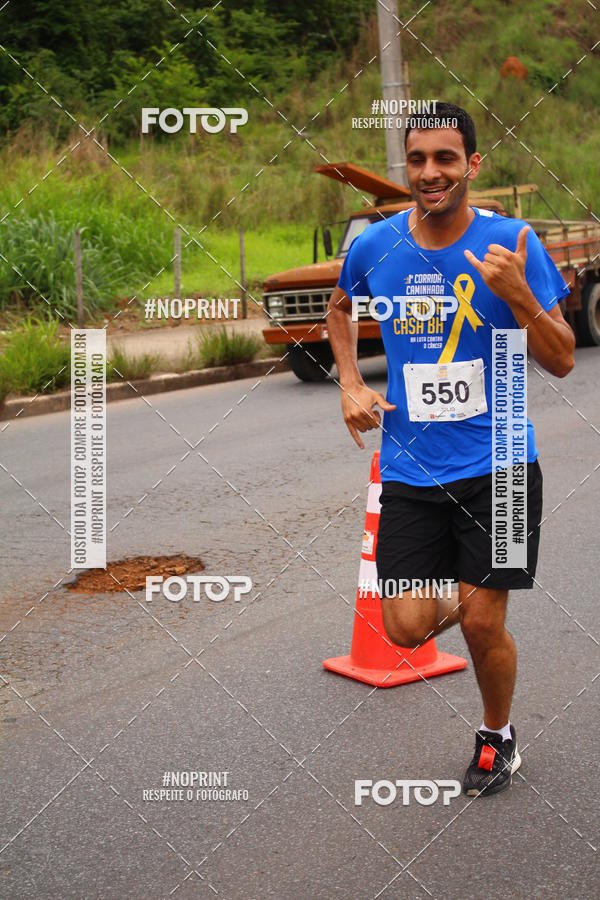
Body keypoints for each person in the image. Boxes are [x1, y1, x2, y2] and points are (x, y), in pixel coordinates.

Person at [326, 102, 575, 796]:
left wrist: (519, 294)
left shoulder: (514, 242)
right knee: (405, 628)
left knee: (484, 621)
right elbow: (341, 308)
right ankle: (471, 600)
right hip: (410, 468)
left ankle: (497, 736)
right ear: (405, 168)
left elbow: (561, 361)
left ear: (472, 164)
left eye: (445, 158)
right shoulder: (375, 246)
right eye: (417, 160)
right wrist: (349, 382)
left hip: (501, 464)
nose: (430, 173)